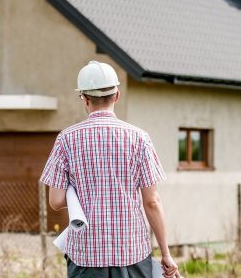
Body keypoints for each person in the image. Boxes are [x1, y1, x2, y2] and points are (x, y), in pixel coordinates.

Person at [40, 60, 180, 278]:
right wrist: (166, 254)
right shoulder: (139, 139)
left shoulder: (66, 139)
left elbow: (56, 201)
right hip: (132, 252)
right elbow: (152, 202)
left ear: (84, 99)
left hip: (86, 255)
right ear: (117, 96)